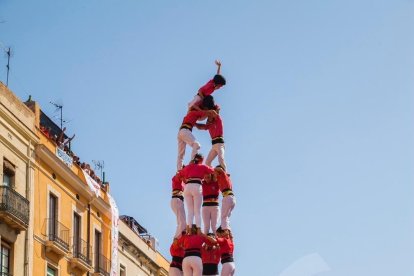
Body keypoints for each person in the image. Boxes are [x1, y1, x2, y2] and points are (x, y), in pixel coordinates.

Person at [178, 154, 214, 231]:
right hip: (197, 186)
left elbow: (179, 175)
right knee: (197, 210)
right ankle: (198, 229)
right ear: (201, 159)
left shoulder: (187, 167)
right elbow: (213, 171)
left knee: (190, 211)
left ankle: (189, 229)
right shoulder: (203, 166)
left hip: (187, 187)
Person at [171, 170, 186, 238]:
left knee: (181, 222)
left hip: (178, 200)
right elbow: (177, 175)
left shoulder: (183, 182)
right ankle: (177, 238)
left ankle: (178, 238)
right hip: (177, 199)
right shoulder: (176, 177)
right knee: (182, 222)